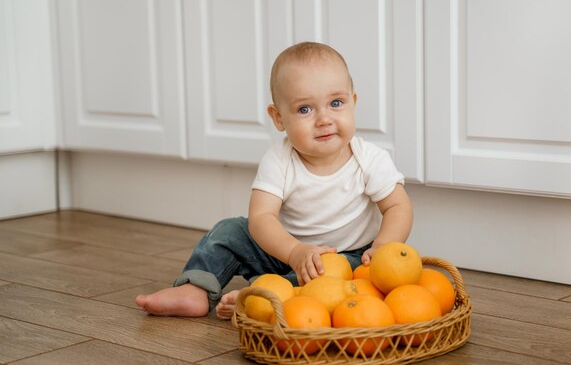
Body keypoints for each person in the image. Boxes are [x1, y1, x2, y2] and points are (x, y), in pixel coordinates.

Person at [135, 42, 413, 319]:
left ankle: (264, 296)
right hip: (283, 250)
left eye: (336, 103)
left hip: (346, 256)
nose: (324, 119)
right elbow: (261, 217)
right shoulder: (278, 160)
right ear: (279, 118)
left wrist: (382, 247)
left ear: (353, 103)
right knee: (229, 231)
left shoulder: (369, 158)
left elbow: (397, 207)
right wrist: (294, 252)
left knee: (329, 277)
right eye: (305, 109)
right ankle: (195, 288)